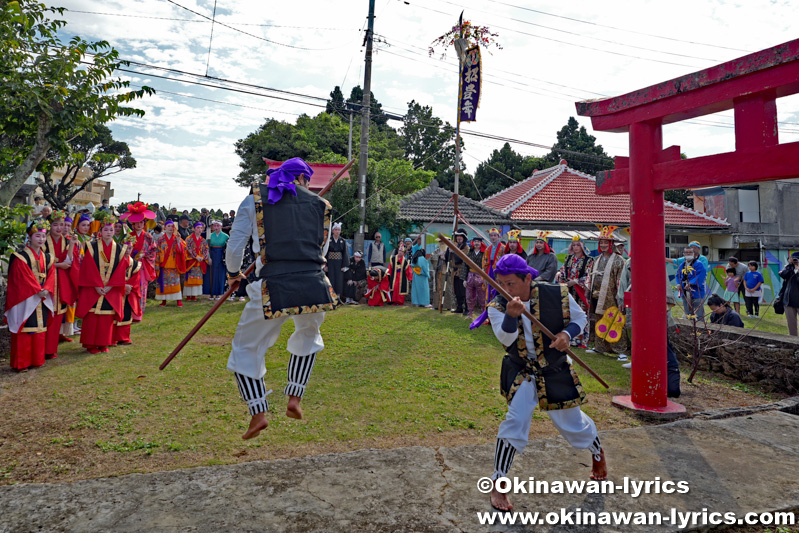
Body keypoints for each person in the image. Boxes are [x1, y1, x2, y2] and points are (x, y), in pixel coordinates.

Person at [225, 157, 337, 440]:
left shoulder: (254, 199)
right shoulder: (321, 205)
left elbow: (235, 244)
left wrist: (232, 272)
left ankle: (258, 412)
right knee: (309, 335)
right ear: (304, 180)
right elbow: (319, 249)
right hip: (313, 285)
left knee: (245, 347)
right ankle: (295, 397)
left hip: (273, 285)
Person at [485, 254, 606, 511]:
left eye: (510, 284)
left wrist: (566, 334)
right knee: (515, 420)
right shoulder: (496, 306)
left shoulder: (556, 293)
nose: (504, 290)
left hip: (554, 368)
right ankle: (499, 482)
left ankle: (597, 452)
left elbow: (580, 319)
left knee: (573, 424)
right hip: (521, 370)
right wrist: (510, 315)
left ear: (528, 278)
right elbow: (506, 340)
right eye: (500, 283)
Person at [5, 221, 56, 372]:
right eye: (37, 236)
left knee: (39, 328)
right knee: (25, 327)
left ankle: (37, 360)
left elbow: (52, 274)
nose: (40, 239)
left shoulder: (48, 257)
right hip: (26, 297)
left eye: (43, 236)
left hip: (42, 295)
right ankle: (21, 363)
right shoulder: (20, 257)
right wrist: (37, 290)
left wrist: (46, 288)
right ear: (30, 237)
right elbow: (21, 276)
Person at [76, 213, 130, 354]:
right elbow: (88, 267)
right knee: (93, 316)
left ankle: (104, 343)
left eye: (111, 230)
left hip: (111, 288)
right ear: (100, 232)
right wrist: (96, 285)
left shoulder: (120, 248)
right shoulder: (91, 246)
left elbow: (120, 268)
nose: (108, 232)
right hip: (94, 287)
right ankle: (91, 344)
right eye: (105, 230)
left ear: (114, 231)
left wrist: (110, 286)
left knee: (106, 317)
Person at [587, 226, 626, 355]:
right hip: (597, 296)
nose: (603, 245)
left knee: (615, 321)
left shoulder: (619, 260)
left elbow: (621, 280)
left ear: (611, 244)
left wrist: (619, 297)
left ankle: (620, 349)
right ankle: (600, 347)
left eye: (605, 243)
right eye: (601, 242)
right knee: (599, 320)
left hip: (612, 296)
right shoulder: (597, 259)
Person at [42, 210, 76, 358]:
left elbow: (68, 263)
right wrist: (58, 265)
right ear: (50, 225)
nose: (59, 228)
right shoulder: (43, 240)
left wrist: (73, 245)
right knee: (45, 315)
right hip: (46, 281)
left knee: (57, 316)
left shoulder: (67, 241)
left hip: (61, 281)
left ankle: (51, 349)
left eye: (62, 225)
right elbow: (39, 262)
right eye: (55, 224)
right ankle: (41, 349)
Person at [119, 203, 157, 320]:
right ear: (133, 224)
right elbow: (122, 250)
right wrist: (129, 254)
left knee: (142, 288)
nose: (139, 225)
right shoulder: (128, 236)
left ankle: (138, 313)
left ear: (144, 223)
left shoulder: (149, 237)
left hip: (142, 266)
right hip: (130, 266)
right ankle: (128, 311)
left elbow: (153, 250)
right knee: (131, 289)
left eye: (141, 223)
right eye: (137, 223)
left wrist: (144, 255)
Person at [557, 236, 594, 347]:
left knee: (582, 314)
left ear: (582, 246)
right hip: (569, 290)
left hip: (582, 291)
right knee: (569, 313)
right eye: (574, 245)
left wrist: (576, 281)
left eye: (578, 245)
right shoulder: (568, 258)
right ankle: (570, 338)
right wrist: (561, 279)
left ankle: (582, 340)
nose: (576, 247)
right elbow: (563, 271)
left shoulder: (589, 260)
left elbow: (589, 276)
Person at [112, 236, 142, 346]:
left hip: (129, 292)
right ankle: (112, 337)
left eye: (129, 248)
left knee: (126, 313)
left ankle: (123, 337)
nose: (127, 250)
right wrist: (122, 286)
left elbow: (136, 278)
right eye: (125, 247)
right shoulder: (114, 262)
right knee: (114, 314)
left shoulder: (134, 263)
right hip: (117, 291)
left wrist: (129, 287)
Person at [154, 220, 187, 307]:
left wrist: (179, 240)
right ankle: (164, 300)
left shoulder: (176, 238)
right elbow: (157, 252)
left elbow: (182, 250)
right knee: (163, 283)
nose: (170, 228)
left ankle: (178, 300)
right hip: (163, 264)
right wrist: (156, 264)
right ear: (164, 227)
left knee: (176, 283)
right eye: (168, 226)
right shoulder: (160, 239)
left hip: (174, 264)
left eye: (172, 226)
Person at [676, 246, 708, 324]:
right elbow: (678, 275)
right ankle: (690, 327)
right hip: (685, 291)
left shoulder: (699, 264)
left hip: (696, 291)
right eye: (686, 252)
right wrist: (678, 284)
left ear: (693, 254)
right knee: (688, 312)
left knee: (699, 313)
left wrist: (691, 283)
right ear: (683, 254)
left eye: (690, 252)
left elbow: (701, 275)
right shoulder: (682, 264)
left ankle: (701, 328)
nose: (688, 254)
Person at [445, 228, 469, 315]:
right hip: (454, 272)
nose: (458, 238)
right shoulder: (455, 246)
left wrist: (453, 251)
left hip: (463, 271)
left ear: (464, 238)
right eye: (457, 236)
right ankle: (459, 307)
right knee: (457, 291)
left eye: (460, 236)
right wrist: (449, 248)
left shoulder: (466, 248)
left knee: (464, 291)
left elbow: (460, 259)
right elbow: (447, 257)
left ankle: (467, 309)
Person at [184, 222, 209, 301]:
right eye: (198, 228)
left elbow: (206, 250)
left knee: (197, 279)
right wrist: (196, 256)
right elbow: (188, 248)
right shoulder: (189, 239)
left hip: (199, 262)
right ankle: (188, 296)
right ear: (193, 229)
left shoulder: (203, 240)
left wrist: (202, 257)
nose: (199, 229)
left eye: (201, 228)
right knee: (189, 279)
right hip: (191, 261)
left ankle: (194, 295)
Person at [325, 222, 349, 300]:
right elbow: (325, 252)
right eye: (336, 230)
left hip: (339, 262)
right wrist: (325, 265)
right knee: (330, 278)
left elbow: (345, 253)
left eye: (339, 230)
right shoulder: (328, 240)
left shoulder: (343, 241)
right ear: (333, 231)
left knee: (339, 279)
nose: (337, 231)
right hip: (330, 262)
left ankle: (338, 297)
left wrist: (344, 265)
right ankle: (330, 296)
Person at [207, 220, 230, 300]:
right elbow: (207, 248)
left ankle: (218, 293)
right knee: (211, 274)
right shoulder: (210, 236)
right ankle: (211, 293)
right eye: (214, 226)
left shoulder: (226, 236)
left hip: (221, 256)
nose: (216, 227)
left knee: (220, 274)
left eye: (218, 226)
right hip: (212, 255)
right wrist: (208, 257)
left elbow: (228, 247)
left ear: (221, 226)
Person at [465, 236, 486, 319]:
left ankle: (484, 313)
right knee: (469, 296)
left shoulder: (484, 253)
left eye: (478, 241)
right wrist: (464, 279)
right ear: (472, 243)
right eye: (475, 241)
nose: (476, 243)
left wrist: (485, 277)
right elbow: (464, 265)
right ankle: (470, 313)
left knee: (482, 296)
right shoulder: (469, 253)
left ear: (481, 243)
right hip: (470, 275)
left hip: (481, 276)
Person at [779, 252, 799, 336]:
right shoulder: (788, 268)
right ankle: (794, 342)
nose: (795, 261)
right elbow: (783, 274)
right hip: (789, 301)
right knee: (791, 324)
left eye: (797, 259)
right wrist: (789, 266)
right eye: (793, 259)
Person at [410, 243, 431, 308]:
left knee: (416, 290)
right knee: (424, 290)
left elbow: (412, 268)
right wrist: (427, 274)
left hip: (416, 276)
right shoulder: (422, 259)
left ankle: (417, 303)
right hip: (422, 276)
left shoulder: (413, 259)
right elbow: (425, 268)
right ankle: (425, 303)